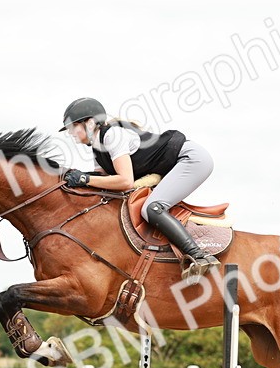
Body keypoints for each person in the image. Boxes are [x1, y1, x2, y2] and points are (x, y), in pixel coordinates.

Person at [59, 97, 220, 282]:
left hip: (191, 159)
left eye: (73, 127)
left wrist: (85, 179)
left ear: (89, 123)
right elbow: (102, 179)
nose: (70, 133)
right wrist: (75, 177)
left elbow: (125, 181)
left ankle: (199, 256)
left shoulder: (113, 136)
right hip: (177, 164)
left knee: (152, 208)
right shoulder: (97, 147)